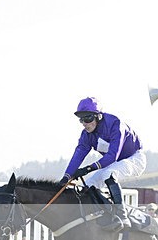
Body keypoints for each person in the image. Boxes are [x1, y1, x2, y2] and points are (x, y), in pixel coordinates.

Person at [59, 97, 145, 231]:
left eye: (87, 119)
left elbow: (112, 156)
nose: (84, 124)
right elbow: (78, 155)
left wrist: (88, 168)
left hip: (134, 159)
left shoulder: (115, 124)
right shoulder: (86, 135)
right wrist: (66, 177)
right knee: (87, 186)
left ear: (98, 116)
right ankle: (107, 214)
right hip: (114, 163)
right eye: (81, 120)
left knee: (108, 175)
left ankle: (122, 216)